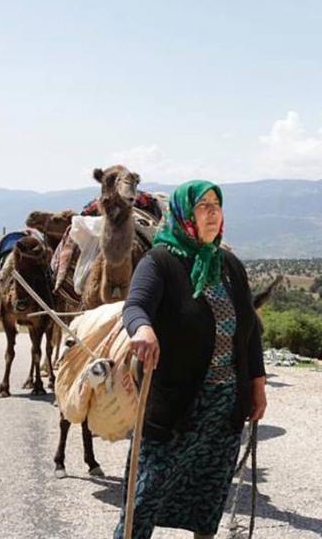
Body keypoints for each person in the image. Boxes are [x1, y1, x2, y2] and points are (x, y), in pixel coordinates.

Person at [115, 180, 267, 539]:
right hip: (176, 407)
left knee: (208, 495)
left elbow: (250, 333)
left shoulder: (229, 265)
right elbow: (135, 305)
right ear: (184, 214)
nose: (213, 213)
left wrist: (256, 387)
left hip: (225, 407)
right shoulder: (161, 261)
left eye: (217, 205)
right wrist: (142, 329)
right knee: (145, 496)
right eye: (203, 206)